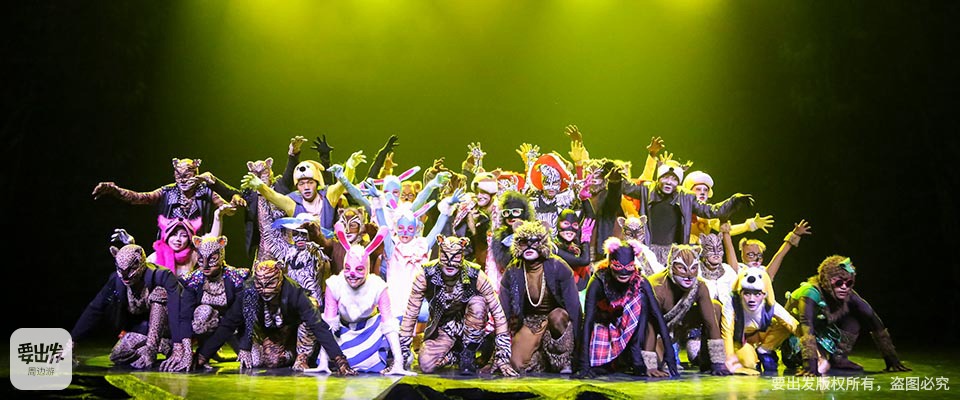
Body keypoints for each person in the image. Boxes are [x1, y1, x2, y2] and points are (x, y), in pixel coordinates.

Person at [399, 236, 518, 376]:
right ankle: (456, 355)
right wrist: (401, 355)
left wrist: (503, 356)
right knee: (426, 365)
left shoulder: (476, 275)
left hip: (471, 325)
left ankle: (468, 352)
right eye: (445, 256)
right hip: (444, 328)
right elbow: (411, 314)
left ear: (462, 254)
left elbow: (498, 312)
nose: (450, 262)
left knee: (478, 303)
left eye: (455, 256)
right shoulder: (425, 275)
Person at [782, 256, 910, 376]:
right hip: (795, 336)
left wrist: (891, 357)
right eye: (839, 283)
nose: (844, 287)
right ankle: (810, 360)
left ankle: (839, 358)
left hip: (819, 332)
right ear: (826, 281)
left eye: (848, 283)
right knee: (815, 362)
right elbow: (806, 324)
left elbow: (872, 318)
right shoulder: (810, 292)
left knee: (853, 321)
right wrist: (809, 363)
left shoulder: (849, 295)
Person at [499, 221, 581, 373]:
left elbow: (574, 308)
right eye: (524, 242)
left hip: (556, 319)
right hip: (530, 321)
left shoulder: (558, 266)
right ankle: (542, 359)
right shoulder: (513, 270)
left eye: (535, 242)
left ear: (543, 243)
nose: (529, 247)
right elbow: (503, 311)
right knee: (516, 364)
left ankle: (564, 360)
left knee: (558, 317)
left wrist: (578, 351)